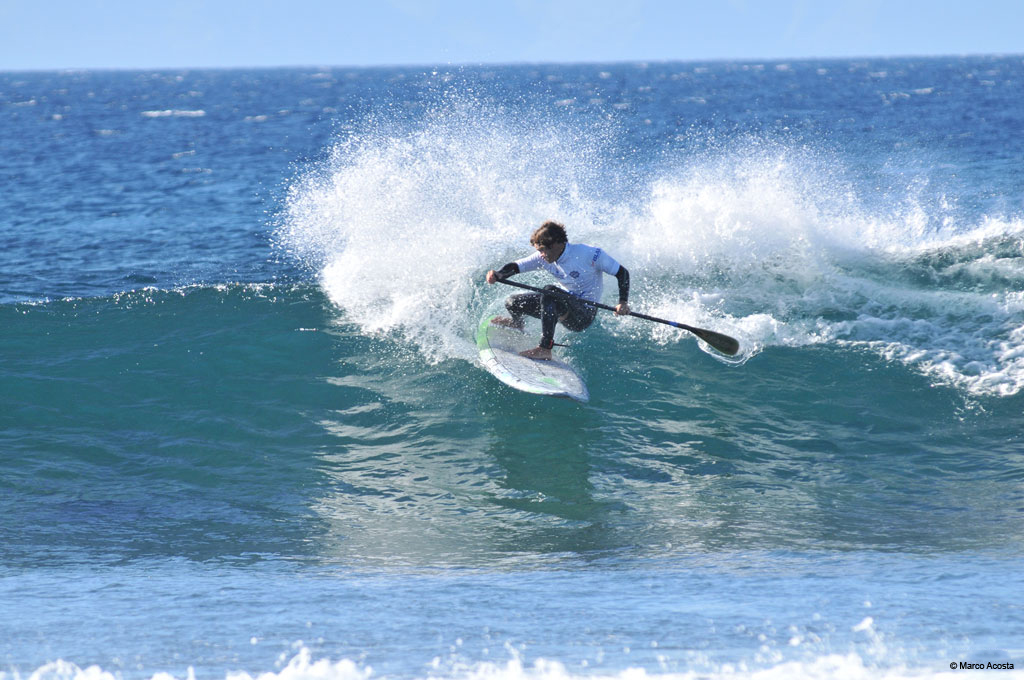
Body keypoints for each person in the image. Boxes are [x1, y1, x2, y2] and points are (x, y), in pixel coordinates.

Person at [485, 221, 630, 360]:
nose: (541, 254)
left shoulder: (589, 254)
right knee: (513, 302)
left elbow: (622, 273)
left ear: (554, 244)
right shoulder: (543, 258)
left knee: (549, 291)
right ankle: (518, 323)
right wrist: (499, 274)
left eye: (542, 250)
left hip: (583, 314)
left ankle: (545, 349)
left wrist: (622, 302)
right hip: (561, 304)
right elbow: (516, 266)